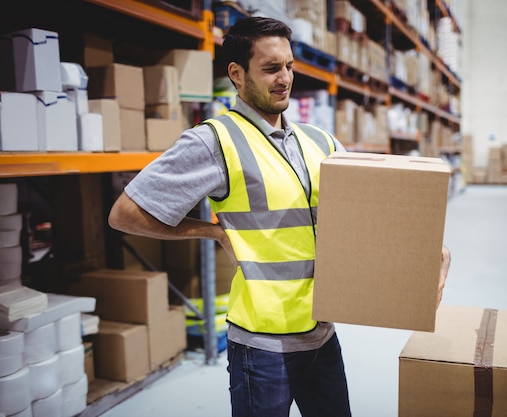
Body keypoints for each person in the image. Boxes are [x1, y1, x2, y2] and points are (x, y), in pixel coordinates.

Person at [108, 16, 451, 417]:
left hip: (321, 336)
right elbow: (125, 213)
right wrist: (212, 232)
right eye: (271, 68)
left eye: (289, 66)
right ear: (236, 74)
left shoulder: (320, 140)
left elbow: (366, 217)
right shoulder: (215, 141)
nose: (284, 78)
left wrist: (424, 248)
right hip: (261, 344)